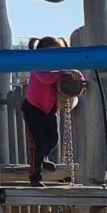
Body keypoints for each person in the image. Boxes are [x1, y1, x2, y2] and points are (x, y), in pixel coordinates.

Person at [19, 36, 65, 186]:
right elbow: (46, 79)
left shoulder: (56, 68)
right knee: (39, 143)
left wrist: (74, 75)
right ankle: (35, 177)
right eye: (54, 53)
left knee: (53, 139)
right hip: (33, 109)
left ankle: (42, 158)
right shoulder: (37, 64)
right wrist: (63, 72)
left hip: (48, 109)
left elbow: (72, 74)